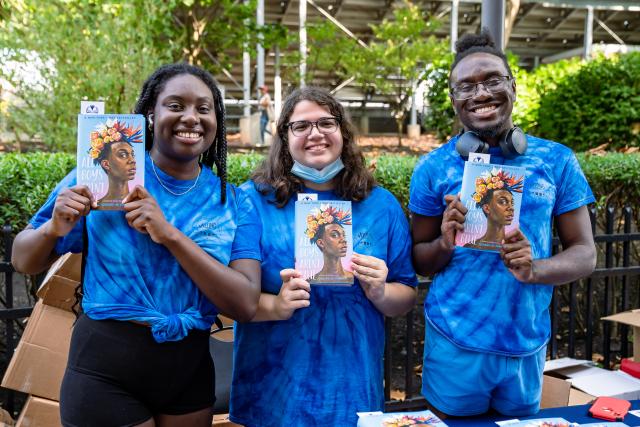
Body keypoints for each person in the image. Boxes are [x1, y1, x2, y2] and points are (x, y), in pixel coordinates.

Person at [11, 63, 262, 427]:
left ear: (217, 121)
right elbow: (23, 260)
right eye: (175, 105)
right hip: (106, 367)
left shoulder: (233, 202)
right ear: (150, 114)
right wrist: (53, 227)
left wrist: (170, 235)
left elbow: (244, 303)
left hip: (189, 369)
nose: (191, 117)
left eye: (203, 109)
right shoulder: (100, 175)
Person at [409, 30, 596, 418]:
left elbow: (585, 254)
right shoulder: (432, 168)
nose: (480, 94)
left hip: (526, 344)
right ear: (453, 100)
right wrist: (445, 241)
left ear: (512, 86)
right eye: (466, 87)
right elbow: (419, 260)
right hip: (454, 340)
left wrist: (536, 269)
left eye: (493, 80)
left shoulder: (557, 160)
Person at [230, 86, 418, 426]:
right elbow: (231, 298)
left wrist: (381, 292)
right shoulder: (252, 201)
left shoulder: (381, 206)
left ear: (342, 132)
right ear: (285, 136)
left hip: (352, 392)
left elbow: (405, 293)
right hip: (272, 395)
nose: (315, 134)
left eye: (326, 123)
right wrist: (277, 304)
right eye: (301, 126)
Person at [463, 169, 522, 250]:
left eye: (512, 203)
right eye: (503, 201)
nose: (511, 208)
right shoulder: (470, 246)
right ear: (487, 208)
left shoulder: (517, 249)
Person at [89, 119, 141, 209]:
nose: (132, 160)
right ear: (106, 164)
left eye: (132, 155)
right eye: (123, 155)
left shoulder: (143, 203)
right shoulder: (94, 207)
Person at [306, 205, 354, 283]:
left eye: (343, 235)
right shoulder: (309, 281)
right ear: (321, 243)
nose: (343, 240)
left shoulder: (354, 279)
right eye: (334, 235)